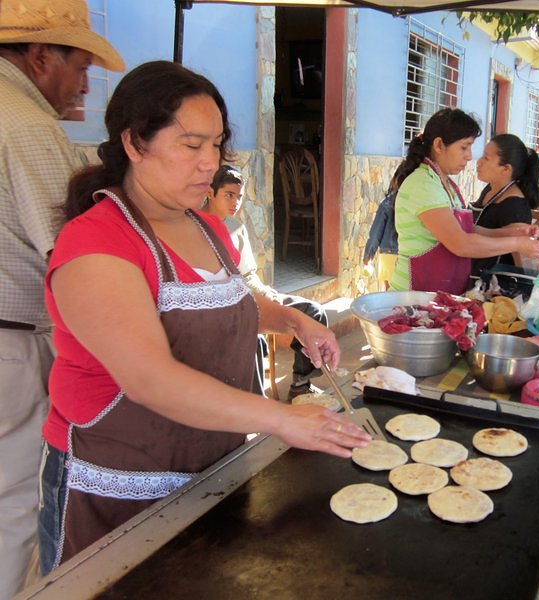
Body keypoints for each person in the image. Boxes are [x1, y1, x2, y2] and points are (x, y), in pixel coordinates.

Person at [38, 60, 370, 575]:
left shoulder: (205, 226)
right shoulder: (97, 243)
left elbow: (229, 300)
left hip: (208, 476)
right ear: (133, 143)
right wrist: (281, 418)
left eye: (216, 145)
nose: (208, 163)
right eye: (191, 146)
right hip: (117, 491)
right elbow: (150, 379)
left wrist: (292, 320)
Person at [0, 1, 124, 596]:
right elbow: (75, 255)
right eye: (78, 65)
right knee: (13, 505)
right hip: (10, 346)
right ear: (40, 55)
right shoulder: (24, 122)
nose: (82, 83)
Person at [388, 108, 539, 295]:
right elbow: (461, 243)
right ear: (439, 145)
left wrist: (511, 232)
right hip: (412, 296)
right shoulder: (423, 185)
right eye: (464, 147)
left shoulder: (444, 183)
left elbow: (467, 230)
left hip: (435, 295)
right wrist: (517, 243)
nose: (470, 156)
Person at [204, 165, 329, 399]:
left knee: (313, 312)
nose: (235, 203)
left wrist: (264, 292)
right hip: (228, 307)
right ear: (210, 193)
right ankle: (254, 407)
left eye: (239, 196)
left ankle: (301, 384)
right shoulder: (195, 229)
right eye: (229, 195)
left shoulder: (236, 227)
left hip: (255, 297)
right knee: (252, 338)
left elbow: (248, 273)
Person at [471, 133, 539, 276]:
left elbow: (523, 261)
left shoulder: (514, 205)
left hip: (495, 289)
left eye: (486, 158)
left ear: (505, 169)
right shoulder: (490, 189)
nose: (478, 162)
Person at [363, 168, 401, 290]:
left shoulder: (387, 203)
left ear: (395, 180)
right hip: (406, 255)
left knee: (390, 294)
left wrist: (368, 255)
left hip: (388, 254)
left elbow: (376, 233)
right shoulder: (413, 202)